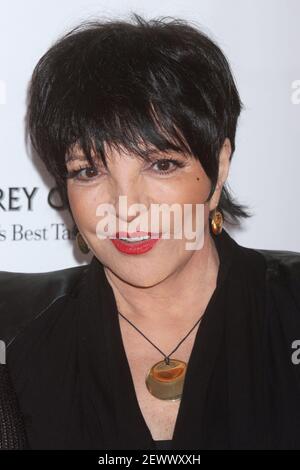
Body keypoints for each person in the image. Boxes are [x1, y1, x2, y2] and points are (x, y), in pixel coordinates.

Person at [1, 13, 300, 450]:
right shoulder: (18, 345)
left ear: (218, 169)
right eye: (88, 171)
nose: (126, 207)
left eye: (161, 165)